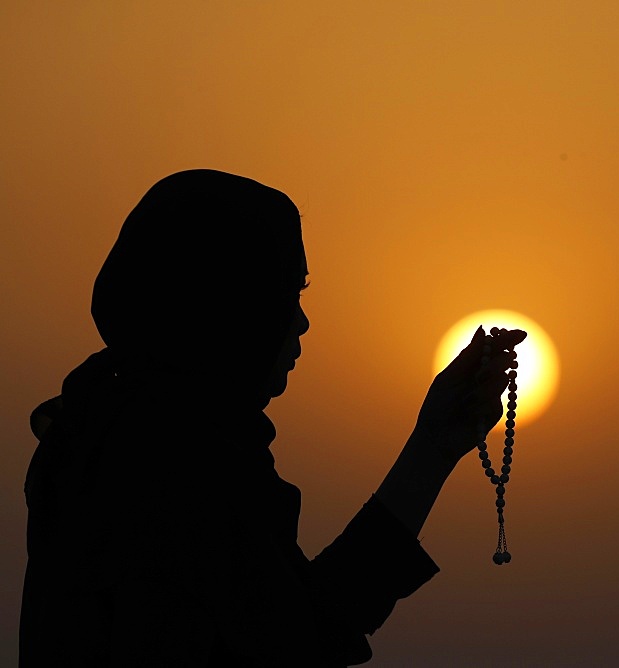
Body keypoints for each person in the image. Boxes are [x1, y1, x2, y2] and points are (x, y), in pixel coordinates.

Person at [20, 169, 524, 667]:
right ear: (223, 305)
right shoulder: (167, 472)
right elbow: (299, 640)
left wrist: (432, 447)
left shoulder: (110, 439)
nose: (301, 321)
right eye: (286, 293)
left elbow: (298, 616)